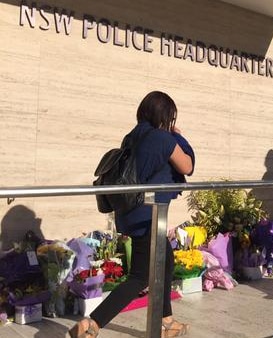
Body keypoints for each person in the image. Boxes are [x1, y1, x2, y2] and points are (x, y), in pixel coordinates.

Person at [69, 91, 194, 338]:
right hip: (148, 216)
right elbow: (187, 165)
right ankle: (91, 324)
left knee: (166, 262)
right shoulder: (163, 138)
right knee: (140, 276)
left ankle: (166, 321)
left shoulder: (132, 136)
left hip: (129, 212)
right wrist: (179, 137)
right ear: (166, 116)